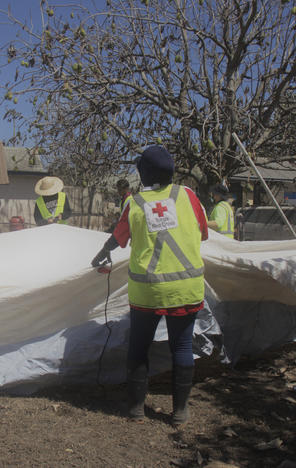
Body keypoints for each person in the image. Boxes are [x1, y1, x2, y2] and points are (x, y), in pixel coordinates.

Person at [90, 145, 209, 425]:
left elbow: (118, 237)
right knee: (181, 347)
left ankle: (135, 410)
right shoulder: (188, 196)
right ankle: (179, 412)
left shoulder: (135, 202)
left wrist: (102, 251)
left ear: (143, 173)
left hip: (148, 291)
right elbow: (203, 234)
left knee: (139, 347)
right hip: (186, 288)